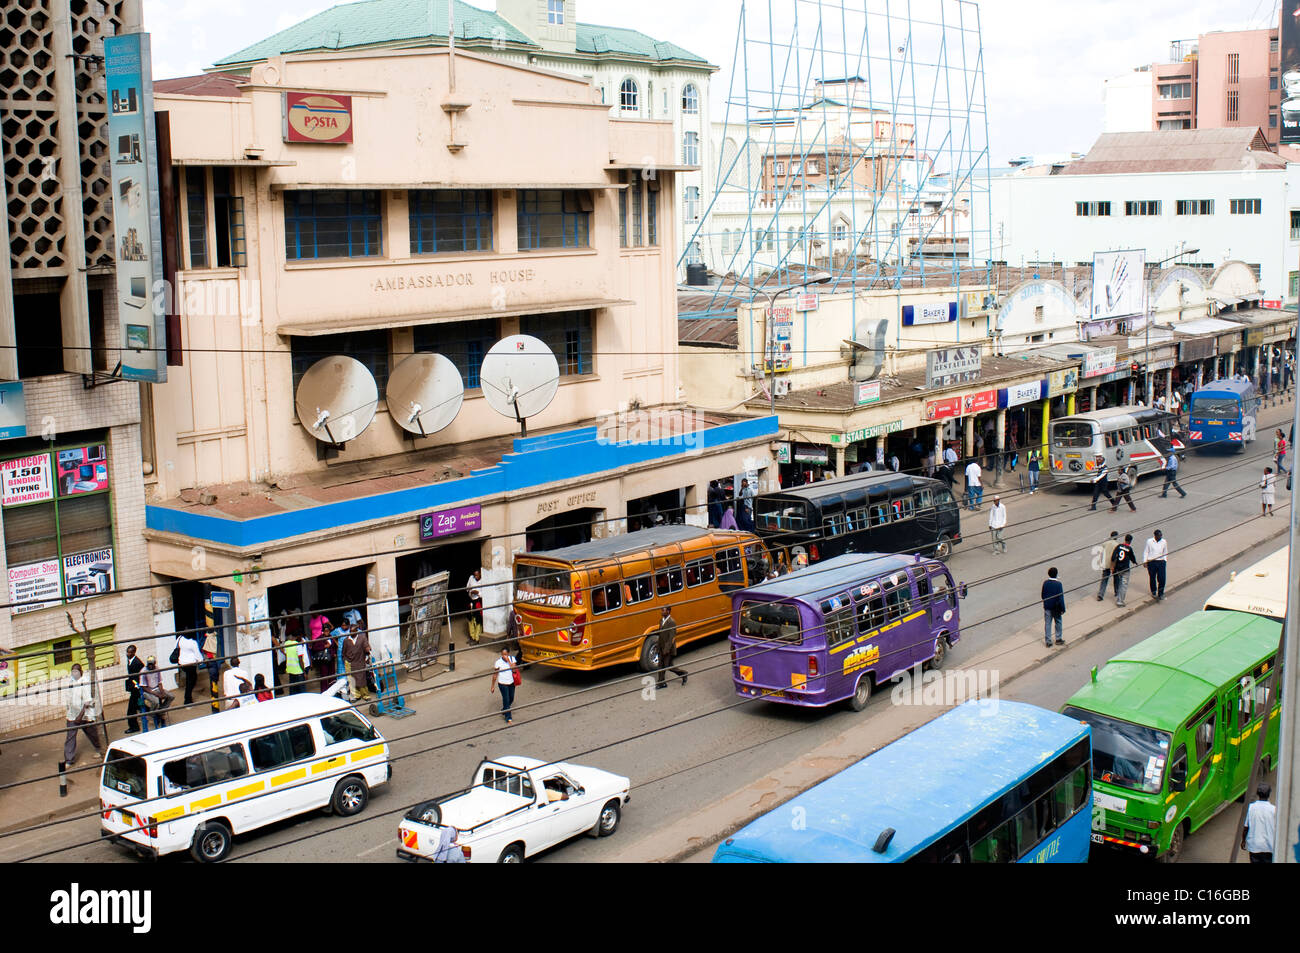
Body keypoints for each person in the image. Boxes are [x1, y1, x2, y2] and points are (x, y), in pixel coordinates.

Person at [63, 663, 104, 766]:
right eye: (72, 671)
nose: (74, 673)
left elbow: (87, 701)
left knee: (91, 733)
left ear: (80, 671)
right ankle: (69, 760)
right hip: (73, 714)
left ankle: (99, 749)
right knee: (70, 736)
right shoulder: (71, 681)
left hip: (84, 714)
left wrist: (80, 716)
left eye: (76, 671)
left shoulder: (85, 682)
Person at [1242, 783, 1276, 863]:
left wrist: (1243, 840)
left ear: (1257, 793)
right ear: (1269, 794)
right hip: (1269, 846)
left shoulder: (1250, 808)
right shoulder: (1274, 809)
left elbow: (1246, 827)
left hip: (1254, 846)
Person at [655, 606, 688, 689]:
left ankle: (683, 674)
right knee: (660, 665)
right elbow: (660, 636)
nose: (661, 611)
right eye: (661, 610)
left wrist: (666, 649)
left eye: (663, 610)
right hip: (662, 647)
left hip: (668, 649)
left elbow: (671, 638)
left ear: (668, 612)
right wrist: (658, 647)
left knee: (668, 666)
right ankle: (661, 683)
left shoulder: (672, 622)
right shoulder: (661, 621)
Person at [138, 657, 172, 730]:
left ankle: (161, 710)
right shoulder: (143, 671)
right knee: (156, 701)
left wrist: (162, 692)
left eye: (152, 664)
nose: (150, 666)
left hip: (156, 688)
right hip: (148, 691)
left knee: (171, 696)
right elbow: (144, 687)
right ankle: (152, 714)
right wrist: (156, 694)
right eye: (149, 664)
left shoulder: (157, 669)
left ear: (154, 663)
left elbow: (159, 682)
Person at [343, 623, 372, 701]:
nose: (351, 632)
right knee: (351, 679)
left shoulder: (362, 637)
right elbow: (343, 652)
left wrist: (367, 649)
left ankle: (365, 695)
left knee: (362, 679)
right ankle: (355, 695)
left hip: (359, 660)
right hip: (349, 662)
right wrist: (346, 660)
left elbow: (366, 645)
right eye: (350, 631)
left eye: (353, 631)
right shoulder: (346, 640)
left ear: (356, 631)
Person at [489, 646, 517, 725]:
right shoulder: (498, 662)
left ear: (508, 654)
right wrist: (492, 686)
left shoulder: (512, 659)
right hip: (502, 684)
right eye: (502, 654)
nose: (504, 656)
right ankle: (508, 718)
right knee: (506, 699)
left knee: (511, 698)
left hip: (511, 683)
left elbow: (514, 670)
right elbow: (495, 675)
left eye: (505, 654)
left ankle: (504, 709)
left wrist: (509, 661)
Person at [1041, 568, 1066, 648]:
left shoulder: (1045, 583)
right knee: (1058, 622)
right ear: (1056, 574)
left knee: (1048, 623)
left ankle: (1048, 641)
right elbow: (1060, 598)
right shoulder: (1058, 584)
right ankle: (1058, 639)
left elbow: (1043, 595)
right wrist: (1063, 609)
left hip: (1047, 607)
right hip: (1056, 608)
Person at [176, 632, 203, 705]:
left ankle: (188, 696)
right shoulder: (193, 643)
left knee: (190, 679)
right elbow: (197, 654)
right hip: (190, 664)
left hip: (182, 663)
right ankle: (187, 699)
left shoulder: (180, 638)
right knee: (191, 680)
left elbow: (177, 647)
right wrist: (201, 662)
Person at [1111, 533, 1138, 607]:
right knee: (1124, 585)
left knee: (1120, 583)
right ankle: (1120, 601)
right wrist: (1135, 562)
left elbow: (1113, 557)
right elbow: (1132, 557)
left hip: (1118, 568)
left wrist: (1113, 566)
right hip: (1125, 569)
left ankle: (1118, 596)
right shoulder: (1129, 549)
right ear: (1130, 541)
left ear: (1125, 539)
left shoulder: (1119, 546)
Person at [123, 644, 144, 734]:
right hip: (134, 688)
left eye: (130, 652)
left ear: (134, 652)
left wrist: (136, 685)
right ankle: (157, 716)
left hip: (136, 689)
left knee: (131, 710)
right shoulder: (130, 660)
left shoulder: (137, 663)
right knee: (140, 706)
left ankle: (134, 727)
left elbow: (139, 676)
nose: (128, 654)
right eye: (127, 652)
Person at [1143, 529, 1169, 601]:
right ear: (1155, 536)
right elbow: (1146, 551)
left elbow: (1165, 551)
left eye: (1161, 535)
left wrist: (1164, 560)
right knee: (1152, 577)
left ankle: (1161, 593)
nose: (1160, 537)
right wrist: (1145, 561)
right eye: (1159, 535)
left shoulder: (1164, 541)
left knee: (1162, 578)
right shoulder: (1149, 541)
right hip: (1152, 562)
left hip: (1161, 562)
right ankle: (1154, 592)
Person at [1097, 531, 1119, 601]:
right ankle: (1117, 592)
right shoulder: (1117, 545)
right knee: (1116, 578)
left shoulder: (1105, 543)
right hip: (1113, 564)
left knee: (1104, 579)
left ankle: (1100, 594)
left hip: (1105, 564)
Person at [284, 629, 306, 695]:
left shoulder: (286, 643)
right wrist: (304, 671)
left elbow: (286, 654)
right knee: (301, 692)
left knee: (293, 692)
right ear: (298, 636)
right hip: (299, 671)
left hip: (291, 671)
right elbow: (300, 660)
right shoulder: (298, 645)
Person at [466, 569, 484, 643]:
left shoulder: (483, 581)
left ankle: (477, 638)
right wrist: (471, 591)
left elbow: (484, 594)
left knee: (478, 620)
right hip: (471, 601)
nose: (475, 577)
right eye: (474, 575)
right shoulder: (471, 578)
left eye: (477, 575)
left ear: (480, 574)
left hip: (478, 602)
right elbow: (467, 588)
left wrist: (478, 592)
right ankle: (472, 637)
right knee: (470, 619)